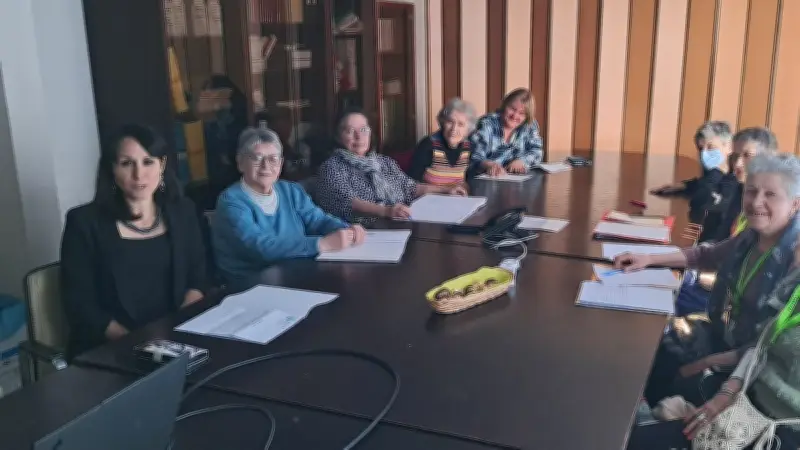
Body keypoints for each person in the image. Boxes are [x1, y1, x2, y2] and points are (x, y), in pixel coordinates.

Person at [615, 152, 800, 408]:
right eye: (751, 191)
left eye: (770, 195)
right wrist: (648, 258)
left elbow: (769, 346)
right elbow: (707, 254)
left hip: (750, 368)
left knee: (673, 374)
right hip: (726, 336)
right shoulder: (750, 236)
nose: (756, 202)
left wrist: (707, 363)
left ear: (794, 204)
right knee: (653, 354)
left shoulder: (795, 260)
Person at [60, 124, 207, 358]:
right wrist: (140, 345)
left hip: (178, 344)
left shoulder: (183, 211)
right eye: (127, 163)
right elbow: (81, 305)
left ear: (162, 165)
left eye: (148, 161)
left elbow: (199, 277)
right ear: (111, 169)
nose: (139, 175)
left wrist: (177, 335)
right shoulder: (84, 223)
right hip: (110, 349)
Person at [628, 272, 800, 449]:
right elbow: (760, 347)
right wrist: (725, 394)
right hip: (745, 403)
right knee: (637, 440)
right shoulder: (794, 283)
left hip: (781, 433)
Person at [211, 127, 365, 282]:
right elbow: (261, 247)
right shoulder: (231, 202)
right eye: (257, 158)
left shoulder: (290, 190)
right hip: (250, 284)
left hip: (294, 273)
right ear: (240, 162)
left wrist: (346, 229)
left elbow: (319, 220)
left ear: (281, 163)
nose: (266, 166)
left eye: (273, 159)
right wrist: (320, 244)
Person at [675, 128, 779, 316]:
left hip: (737, 301)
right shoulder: (740, 191)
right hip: (721, 279)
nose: (737, 163)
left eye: (747, 156)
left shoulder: (774, 208)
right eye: (735, 156)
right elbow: (723, 243)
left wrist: (713, 277)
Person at [316, 110, 467, 224]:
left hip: (398, 225)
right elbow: (348, 202)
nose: (359, 136)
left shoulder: (383, 162)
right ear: (338, 136)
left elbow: (411, 187)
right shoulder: (331, 167)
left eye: (363, 130)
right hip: (361, 233)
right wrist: (387, 211)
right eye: (350, 131)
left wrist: (447, 190)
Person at [650, 121, 734, 225]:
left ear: (730, 147)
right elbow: (703, 183)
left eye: (711, 147)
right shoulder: (714, 174)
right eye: (700, 149)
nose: (704, 153)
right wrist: (684, 185)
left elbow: (703, 198)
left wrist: (714, 173)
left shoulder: (738, 179)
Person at [469, 88, 543, 176]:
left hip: (515, 181)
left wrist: (522, 161)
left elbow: (537, 152)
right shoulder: (486, 124)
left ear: (527, 116)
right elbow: (473, 157)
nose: (515, 115)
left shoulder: (530, 124)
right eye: (512, 109)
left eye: (521, 113)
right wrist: (489, 165)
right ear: (504, 105)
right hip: (483, 180)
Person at [408, 97, 476, 184]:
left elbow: (470, 180)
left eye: (460, 124)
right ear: (443, 122)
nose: (454, 129)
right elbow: (411, 184)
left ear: (468, 130)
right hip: (430, 197)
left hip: (458, 197)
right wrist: (444, 190)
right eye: (450, 122)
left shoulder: (469, 147)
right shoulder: (428, 145)